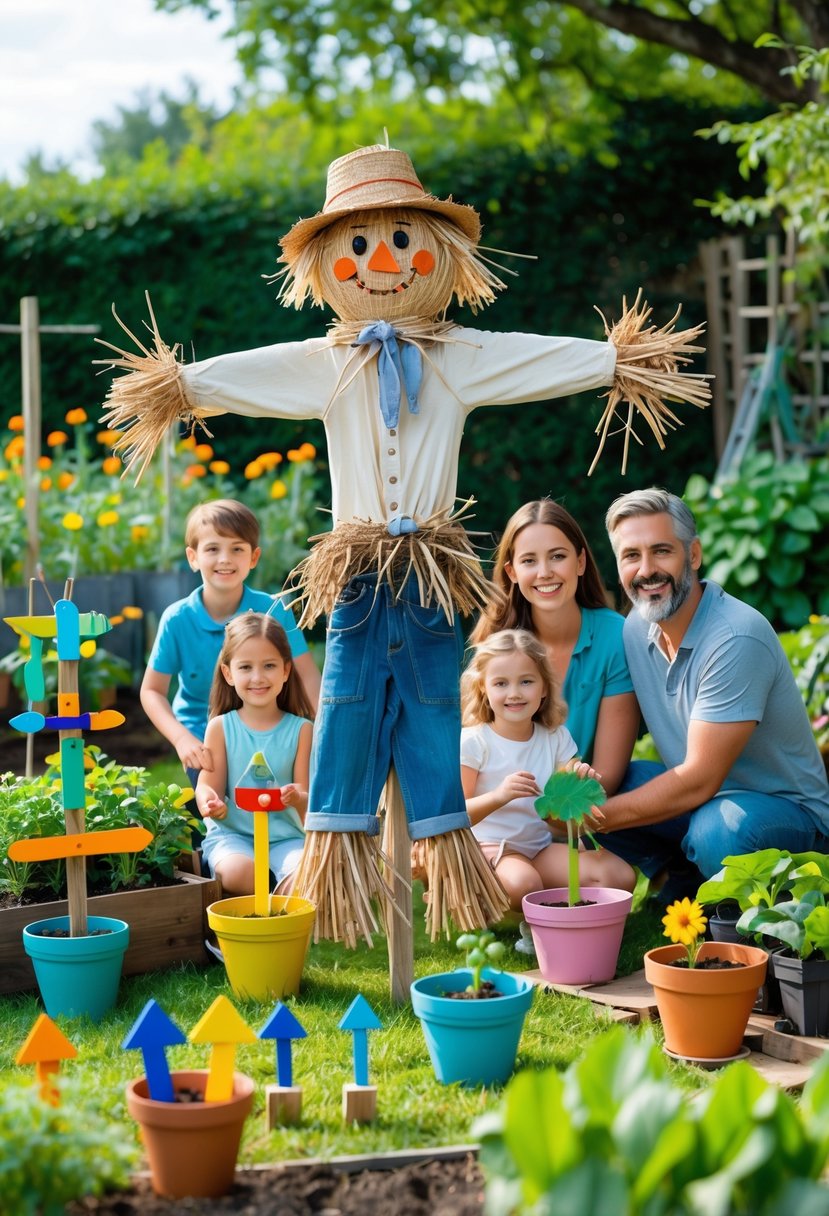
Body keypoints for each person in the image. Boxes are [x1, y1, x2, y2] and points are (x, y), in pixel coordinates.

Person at [597, 488, 829, 901]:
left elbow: (699, 781)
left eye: (662, 551)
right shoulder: (636, 628)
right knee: (616, 782)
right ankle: (686, 877)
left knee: (717, 828)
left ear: (694, 555)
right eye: (631, 556)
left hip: (787, 816)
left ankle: (746, 913)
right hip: (705, 804)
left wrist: (590, 818)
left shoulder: (735, 636)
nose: (647, 570)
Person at [460, 628, 636, 936]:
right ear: (483, 689)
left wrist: (582, 781)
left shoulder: (554, 737)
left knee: (618, 876)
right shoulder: (475, 741)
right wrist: (499, 795)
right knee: (524, 884)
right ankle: (497, 913)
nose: (514, 693)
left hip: (538, 848)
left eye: (526, 681)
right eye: (501, 683)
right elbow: (456, 814)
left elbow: (567, 795)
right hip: (490, 849)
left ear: (543, 688)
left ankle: (579, 926)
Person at [140, 499, 320, 790]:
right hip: (202, 737)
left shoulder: (272, 610)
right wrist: (181, 738)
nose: (225, 559)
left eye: (237, 549)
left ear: (253, 557)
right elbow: (151, 691)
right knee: (213, 806)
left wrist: (322, 730)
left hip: (270, 728)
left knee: (279, 807)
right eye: (212, 549)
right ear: (193, 556)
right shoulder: (177, 619)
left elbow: (307, 675)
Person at [471, 499, 638, 795]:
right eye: (529, 561)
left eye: (557, 556)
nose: (545, 572)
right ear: (512, 572)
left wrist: (553, 817)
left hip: (579, 807)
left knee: (644, 776)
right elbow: (473, 752)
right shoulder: (496, 640)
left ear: (581, 562)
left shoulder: (615, 636)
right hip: (502, 814)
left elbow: (607, 777)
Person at [195, 612, 314, 895]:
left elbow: (306, 799)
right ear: (228, 673)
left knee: (302, 880)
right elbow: (207, 786)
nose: (258, 678)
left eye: (269, 666)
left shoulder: (301, 730)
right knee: (241, 872)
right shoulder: (221, 727)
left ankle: (280, 926)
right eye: (246, 667)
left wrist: (296, 797)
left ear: (286, 671)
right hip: (232, 835)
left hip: (286, 838)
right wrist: (210, 803)